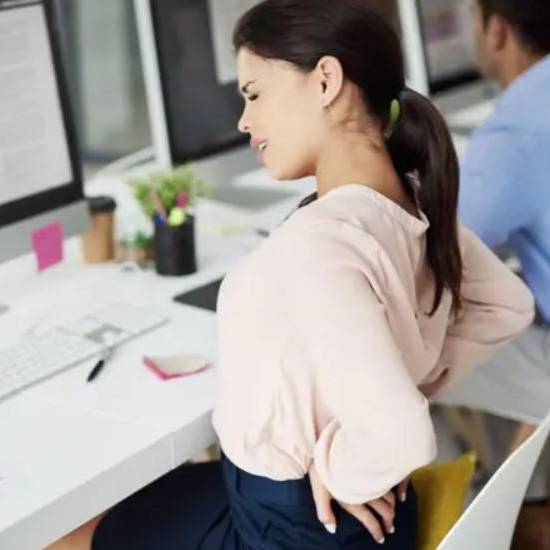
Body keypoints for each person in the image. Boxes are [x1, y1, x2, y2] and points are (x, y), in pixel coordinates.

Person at [51, 1, 533, 549]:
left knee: (55, 535)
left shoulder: (316, 245)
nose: (244, 120)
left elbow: (401, 437)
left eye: (254, 94)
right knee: (135, 504)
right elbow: (508, 306)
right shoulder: (410, 200)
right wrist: (383, 405)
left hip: (299, 526)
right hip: (375, 514)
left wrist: (343, 467)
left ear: (326, 80)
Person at [456, 1, 550, 547]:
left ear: (496, 30)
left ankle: (466, 524)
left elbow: (441, 252)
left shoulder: (514, 131)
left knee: (407, 356)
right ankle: (524, 506)